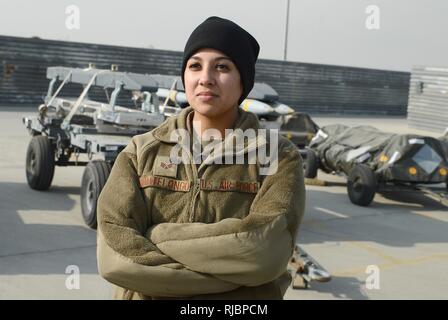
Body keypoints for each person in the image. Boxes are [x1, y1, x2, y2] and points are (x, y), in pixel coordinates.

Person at [97, 16, 305, 300]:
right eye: (195, 65)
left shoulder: (277, 156)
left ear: (243, 81)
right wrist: (230, 275)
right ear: (185, 76)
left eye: (222, 67)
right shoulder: (141, 151)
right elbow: (115, 260)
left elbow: (262, 254)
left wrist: (156, 236)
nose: (206, 78)